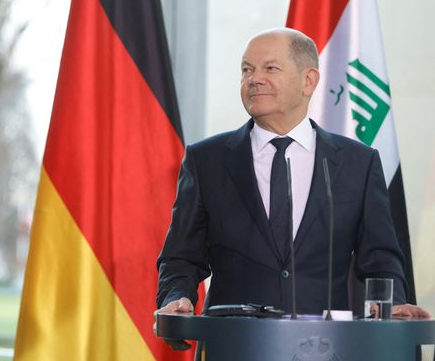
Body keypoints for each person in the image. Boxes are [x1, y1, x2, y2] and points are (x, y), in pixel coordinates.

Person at [155, 28, 428, 335]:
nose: (254, 79)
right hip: (232, 345)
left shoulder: (357, 163)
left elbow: (380, 257)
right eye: (247, 70)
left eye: (270, 68)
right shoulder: (206, 160)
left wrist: (392, 304)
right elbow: (181, 258)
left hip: (326, 347)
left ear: (308, 80)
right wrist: (176, 297)